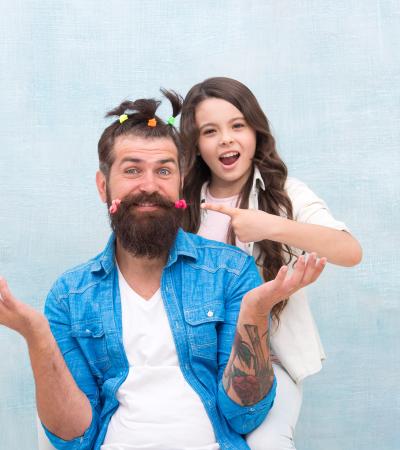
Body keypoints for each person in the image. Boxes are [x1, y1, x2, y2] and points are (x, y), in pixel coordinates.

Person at [0, 91, 326, 450]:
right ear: (103, 186)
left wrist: (255, 312)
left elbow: (244, 415)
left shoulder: (230, 272)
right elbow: (74, 437)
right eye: (132, 170)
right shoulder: (69, 296)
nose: (150, 186)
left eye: (164, 171)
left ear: (181, 182)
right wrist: (36, 335)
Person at [180, 77, 363, 450]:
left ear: (256, 132)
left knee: (266, 441)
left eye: (237, 126)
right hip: (197, 360)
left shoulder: (285, 195)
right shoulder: (184, 204)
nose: (226, 139)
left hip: (270, 360)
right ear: (196, 145)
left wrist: (272, 225)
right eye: (210, 131)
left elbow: (349, 250)